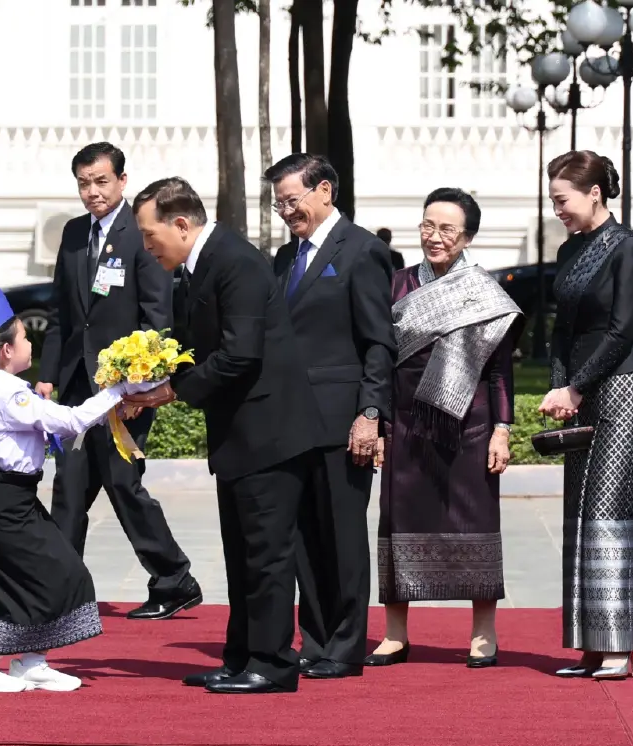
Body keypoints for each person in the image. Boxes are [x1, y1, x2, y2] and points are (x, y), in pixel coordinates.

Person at [124, 177, 322, 694]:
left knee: (268, 554)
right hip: (239, 437)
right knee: (242, 553)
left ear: (182, 225)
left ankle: (273, 664)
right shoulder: (197, 266)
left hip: (270, 434)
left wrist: (166, 393)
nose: (147, 246)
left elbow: (240, 354)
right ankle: (241, 658)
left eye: (150, 235)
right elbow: (194, 348)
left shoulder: (234, 262)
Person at [36, 141, 201, 620]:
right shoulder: (71, 235)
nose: (93, 192)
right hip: (75, 386)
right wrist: (48, 378)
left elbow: (156, 316)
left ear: (122, 181)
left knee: (123, 482)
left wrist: (136, 387)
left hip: (124, 390)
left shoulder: (141, 233)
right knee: (70, 486)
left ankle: (174, 579)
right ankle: (62, 591)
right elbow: (61, 314)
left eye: (101, 181)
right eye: (84, 183)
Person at [370, 188, 523, 668]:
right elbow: (376, 359)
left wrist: (502, 428)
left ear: (468, 237)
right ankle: (396, 632)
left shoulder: (484, 292)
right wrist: (375, 418)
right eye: (427, 226)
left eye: (447, 230)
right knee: (399, 522)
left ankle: (483, 632)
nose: (434, 237)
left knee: (474, 522)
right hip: (406, 422)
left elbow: (499, 372)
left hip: (469, 425)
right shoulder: (396, 285)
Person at [0, 290, 120, 693]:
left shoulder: (1, 387)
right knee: (54, 575)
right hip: (4, 505)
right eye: (26, 338)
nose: (31, 344)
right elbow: (73, 420)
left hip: (9, 500)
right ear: (7, 350)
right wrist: (119, 390)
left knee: (45, 577)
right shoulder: (9, 392)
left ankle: (30, 662)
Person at [264, 153, 396, 679]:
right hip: (290, 421)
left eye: (292, 201)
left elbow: (378, 343)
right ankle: (314, 640)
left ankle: (344, 646)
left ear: (324, 191)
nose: (286, 212)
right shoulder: (283, 258)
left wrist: (369, 413)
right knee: (302, 537)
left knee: (340, 536)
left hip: (342, 420)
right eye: (278, 205)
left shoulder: (363, 251)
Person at [537, 151, 633, 681]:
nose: (557, 208)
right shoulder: (567, 250)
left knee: (611, 508)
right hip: (578, 390)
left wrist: (577, 387)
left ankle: (619, 647)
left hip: (622, 386)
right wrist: (560, 383)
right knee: (578, 512)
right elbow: (560, 329)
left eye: (563, 199)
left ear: (594, 195)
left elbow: (622, 329)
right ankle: (588, 642)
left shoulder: (628, 248)